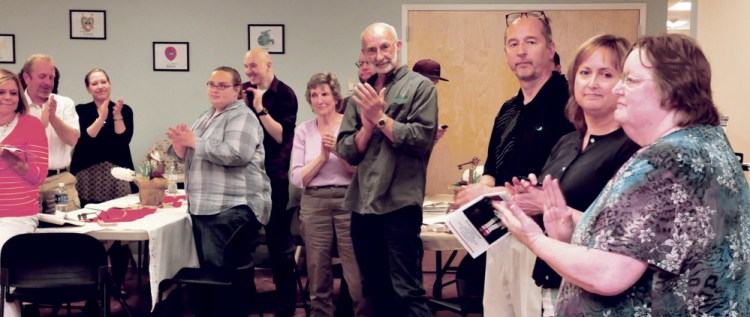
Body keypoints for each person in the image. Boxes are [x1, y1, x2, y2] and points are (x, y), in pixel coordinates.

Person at [496, 34, 750, 316]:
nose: (618, 88)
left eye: (630, 80)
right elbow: (643, 243)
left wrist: (533, 238)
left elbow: (609, 275)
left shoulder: (665, 161)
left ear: (673, 89)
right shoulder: (705, 141)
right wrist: (573, 233)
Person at [503, 34, 640, 316]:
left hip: (596, 294)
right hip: (551, 279)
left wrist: (547, 204)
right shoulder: (567, 142)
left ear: (624, 84)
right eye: (585, 73)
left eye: (605, 74)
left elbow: (622, 236)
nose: (592, 83)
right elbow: (549, 214)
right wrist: (527, 200)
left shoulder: (633, 149)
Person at [453, 11, 574, 317]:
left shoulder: (571, 104)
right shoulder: (508, 110)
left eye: (531, 42)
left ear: (550, 49)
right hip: (502, 234)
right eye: (513, 44)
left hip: (546, 240)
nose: (521, 51)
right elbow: (493, 173)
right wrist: (477, 191)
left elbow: (570, 182)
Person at [336, 22, 437, 317]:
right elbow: (346, 150)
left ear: (398, 47)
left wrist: (381, 119)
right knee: (373, 291)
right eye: (371, 49)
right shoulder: (362, 93)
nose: (379, 55)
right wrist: (366, 128)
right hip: (362, 206)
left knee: (407, 293)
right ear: (363, 53)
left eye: (385, 47)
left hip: (399, 205)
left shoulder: (420, 87)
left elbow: (421, 139)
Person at [167, 66, 271, 316]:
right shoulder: (207, 116)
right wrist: (179, 148)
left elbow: (237, 153)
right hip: (207, 208)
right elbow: (192, 152)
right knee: (211, 279)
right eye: (211, 84)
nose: (215, 89)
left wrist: (193, 142)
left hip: (230, 209)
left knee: (220, 280)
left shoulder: (242, 116)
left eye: (222, 85)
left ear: (237, 90)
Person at [290, 72, 368, 317]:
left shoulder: (350, 125)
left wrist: (338, 151)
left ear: (335, 97)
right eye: (314, 95)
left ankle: (361, 312)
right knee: (317, 267)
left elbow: (360, 172)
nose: (319, 99)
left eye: (324, 94)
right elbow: (297, 178)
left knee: (355, 268)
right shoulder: (303, 130)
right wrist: (323, 158)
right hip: (314, 200)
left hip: (349, 198)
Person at [242, 47, 299, 317]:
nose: (249, 72)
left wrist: (260, 108)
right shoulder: (241, 91)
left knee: (279, 244)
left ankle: (285, 305)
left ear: (268, 65)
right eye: (246, 67)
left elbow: (280, 137)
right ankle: (248, 301)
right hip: (244, 180)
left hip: (274, 178)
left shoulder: (286, 94)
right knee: (243, 243)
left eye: (254, 66)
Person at [70, 68, 136, 295]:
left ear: (110, 83)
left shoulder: (124, 109)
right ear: (88, 88)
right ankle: (90, 284)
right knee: (90, 229)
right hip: (87, 173)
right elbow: (88, 136)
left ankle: (118, 282)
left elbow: (123, 138)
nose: (100, 86)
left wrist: (116, 115)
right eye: (95, 83)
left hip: (117, 173)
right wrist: (102, 116)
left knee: (120, 229)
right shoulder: (81, 110)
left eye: (103, 81)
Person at [0, 68, 48, 317]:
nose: (8, 97)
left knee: (2, 270)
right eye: (1, 92)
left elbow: (39, 175)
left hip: (16, 215)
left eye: (13, 93)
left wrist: (17, 164)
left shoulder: (31, 125)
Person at [21, 54, 80, 213]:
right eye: (42, 76)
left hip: (60, 181)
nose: (48, 82)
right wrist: (40, 124)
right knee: (26, 233)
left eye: (51, 77)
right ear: (27, 77)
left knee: (68, 232)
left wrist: (53, 118)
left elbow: (73, 139)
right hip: (26, 181)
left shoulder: (64, 103)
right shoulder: (15, 104)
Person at [412, 58, 449, 141]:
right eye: (431, 80)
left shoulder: (428, 102)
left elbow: (422, 148)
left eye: (436, 81)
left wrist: (434, 136)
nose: (435, 83)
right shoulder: (402, 98)